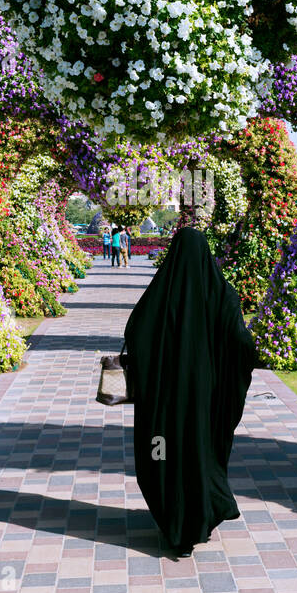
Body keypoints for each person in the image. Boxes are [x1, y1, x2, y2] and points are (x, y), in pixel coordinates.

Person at [123, 228, 259, 557]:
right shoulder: (221, 293)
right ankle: (200, 515)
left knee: (162, 454)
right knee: (198, 451)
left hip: (163, 402)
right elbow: (241, 343)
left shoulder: (161, 292)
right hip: (203, 399)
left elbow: (135, 331)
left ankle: (175, 526)